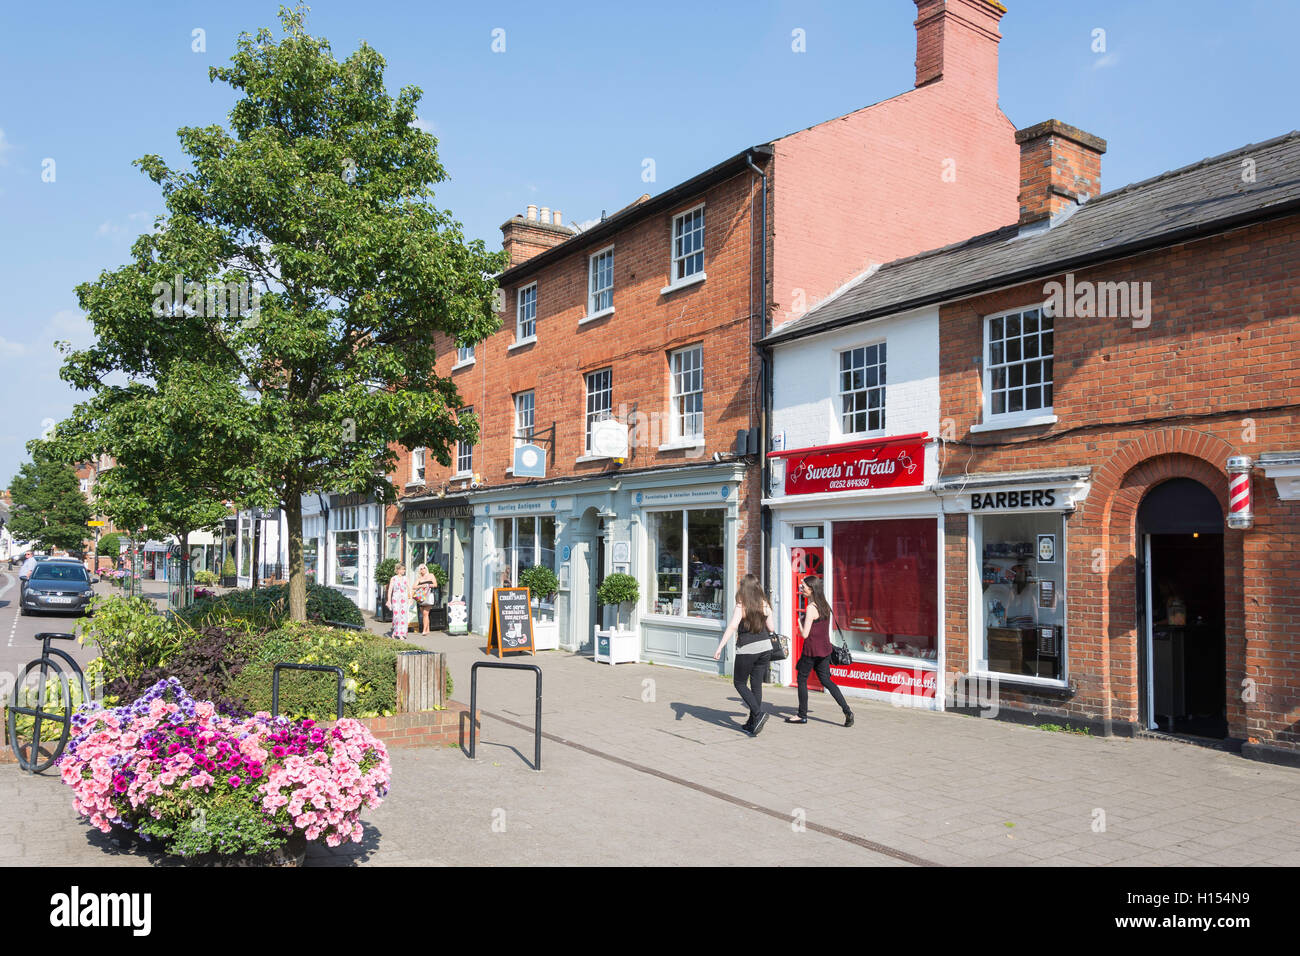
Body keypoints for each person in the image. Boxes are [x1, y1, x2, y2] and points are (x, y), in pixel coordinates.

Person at [713, 573, 777, 736]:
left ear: (744, 587)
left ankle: (758, 713)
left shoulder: (741, 605)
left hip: (748, 648)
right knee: (756, 685)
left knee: (739, 683)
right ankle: (752, 723)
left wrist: (720, 646)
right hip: (765, 648)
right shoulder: (765, 604)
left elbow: (733, 626)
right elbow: (771, 628)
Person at [786, 575, 854, 727]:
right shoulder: (825, 605)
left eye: (804, 587)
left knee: (802, 679)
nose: (801, 589)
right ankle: (847, 711)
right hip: (825, 649)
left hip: (811, 650)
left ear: (812, 589)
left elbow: (805, 634)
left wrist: (799, 622)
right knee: (827, 681)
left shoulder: (811, 608)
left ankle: (801, 715)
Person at [386, 564, 412, 639]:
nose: (404, 571)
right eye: (402, 569)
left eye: (404, 569)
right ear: (398, 570)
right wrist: (388, 600)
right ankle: (395, 632)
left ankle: (402, 633)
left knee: (403, 616)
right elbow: (390, 590)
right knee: (396, 616)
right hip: (396, 599)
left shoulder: (406, 578)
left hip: (404, 599)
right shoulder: (393, 578)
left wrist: (410, 598)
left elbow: (409, 588)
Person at [414, 563, 440, 633]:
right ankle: (427, 629)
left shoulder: (431, 575)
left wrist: (428, 585)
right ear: (419, 571)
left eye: (424, 568)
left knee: (425, 613)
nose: (423, 570)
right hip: (421, 598)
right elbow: (414, 587)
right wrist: (421, 586)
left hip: (429, 596)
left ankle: (424, 630)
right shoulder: (419, 578)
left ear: (426, 568)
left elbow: (435, 584)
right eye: (421, 569)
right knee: (425, 614)